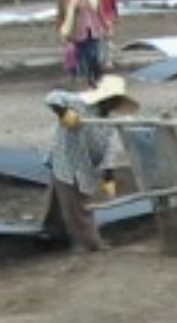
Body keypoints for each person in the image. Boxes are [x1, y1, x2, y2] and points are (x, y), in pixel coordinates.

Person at [40, 77, 138, 253]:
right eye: (112, 100)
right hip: (67, 158)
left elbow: (109, 148)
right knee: (77, 206)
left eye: (116, 101)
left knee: (64, 201)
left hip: (86, 164)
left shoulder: (108, 121)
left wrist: (108, 176)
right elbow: (52, 97)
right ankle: (89, 243)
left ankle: (56, 235)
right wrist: (64, 113)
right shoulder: (78, 103)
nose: (113, 104)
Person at [57, 0, 113, 86]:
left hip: (94, 30)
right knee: (84, 57)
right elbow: (62, 15)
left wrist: (106, 25)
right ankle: (89, 78)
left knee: (94, 55)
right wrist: (62, 31)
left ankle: (96, 77)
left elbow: (100, 11)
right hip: (78, 32)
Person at [87, 0, 120, 69]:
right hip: (94, 18)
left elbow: (113, 0)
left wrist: (115, 14)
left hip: (107, 16)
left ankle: (108, 61)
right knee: (96, 41)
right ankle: (98, 61)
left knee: (108, 40)